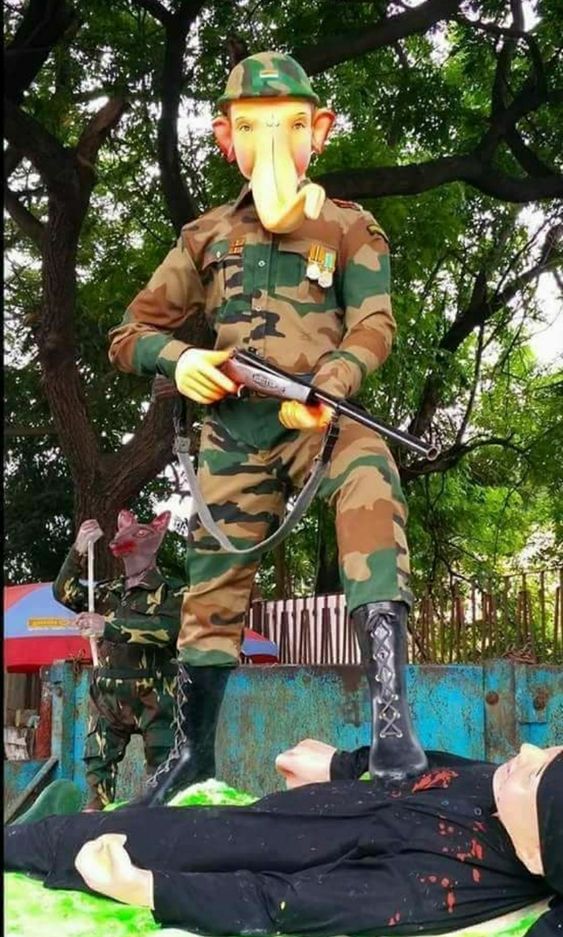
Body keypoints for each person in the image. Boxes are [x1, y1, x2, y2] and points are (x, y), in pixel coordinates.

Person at [108, 49, 426, 802]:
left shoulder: (347, 226)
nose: (272, 141)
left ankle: (392, 723)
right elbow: (129, 333)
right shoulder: (206, 235)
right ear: (226, 138)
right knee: (210, 586)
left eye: (288, 125)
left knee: (371, 483)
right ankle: (193, 754)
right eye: (251, 127)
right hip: (231, 429)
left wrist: (331, 383)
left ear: (320, 130)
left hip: (320, 418)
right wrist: (181, 358)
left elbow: (374, 323)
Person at [5, 744, 562, 936]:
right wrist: (342, 765)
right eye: (552, 751)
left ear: (537, 853)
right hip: (271, 811)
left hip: (231, 845)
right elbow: (424, 765)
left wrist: (150, 887)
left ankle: (34, 834)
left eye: (535, 774)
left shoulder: (439, 882)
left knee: (71, 837)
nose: (527, 753)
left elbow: (285, 903)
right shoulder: (497, 782)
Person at [53, 510, 181, 809]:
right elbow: (64, 592)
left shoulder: (173, 591)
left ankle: (156, 825)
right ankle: (95, 824)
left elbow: (168, 630)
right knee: (97, 770)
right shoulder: (106, 592)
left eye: (139, 534)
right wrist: (79, 549)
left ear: (157, 539)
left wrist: (107, 626)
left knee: (162, 775)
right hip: (108, 695)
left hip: (155, 695)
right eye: (122, 532)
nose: (124, 538)